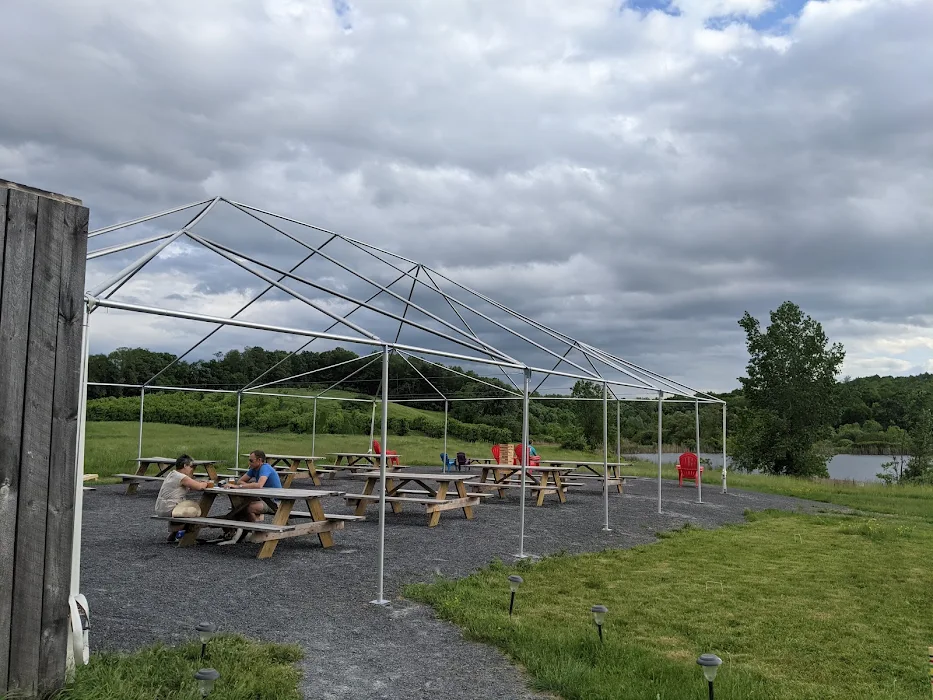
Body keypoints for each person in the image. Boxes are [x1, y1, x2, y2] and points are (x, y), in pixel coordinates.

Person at [154, 454, 211, 542]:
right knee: (196, 511)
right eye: (191, 466)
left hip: (161, 507)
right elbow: (199, 487)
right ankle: (187, 537)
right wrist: (207, 483)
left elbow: (192, 486)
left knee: (188, 507)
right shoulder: (181, 477)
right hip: (170, 509)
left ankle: (174, 534)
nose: (192, 469)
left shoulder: (172, 474)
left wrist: (198, 483)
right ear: (185, 466)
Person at [224, 449, 282, 525]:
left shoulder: (265, 468)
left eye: (251, 461)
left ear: (259, 460)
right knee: (239, 506)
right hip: (264, 499)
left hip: (275, 502)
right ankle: (244, 529)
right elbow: (240, 481)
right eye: (249, 460)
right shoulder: (254, 469)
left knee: (249, 508)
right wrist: (250, 485)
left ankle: (256, 530)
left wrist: (240, 487)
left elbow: (259, 485)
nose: (249, 463)